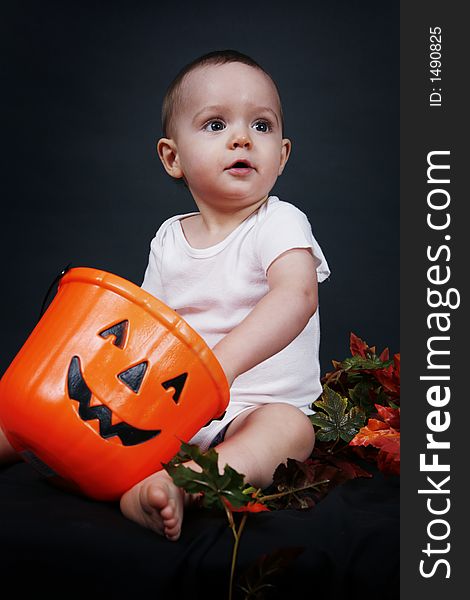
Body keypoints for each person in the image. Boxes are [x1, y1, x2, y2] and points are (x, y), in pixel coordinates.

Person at [0, 49, 330, 542]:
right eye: (216, 124)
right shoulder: (169, 237)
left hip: (252, 407)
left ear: (281, 155)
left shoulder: (280, 223)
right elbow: (146, 331)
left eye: (260, 126)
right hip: (171, 406)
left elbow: (296, 296)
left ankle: (180, 485)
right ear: (173, 157)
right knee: (47, 404)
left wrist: (220, 368)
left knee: (289, 432)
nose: (242, 137)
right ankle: (16, 435)